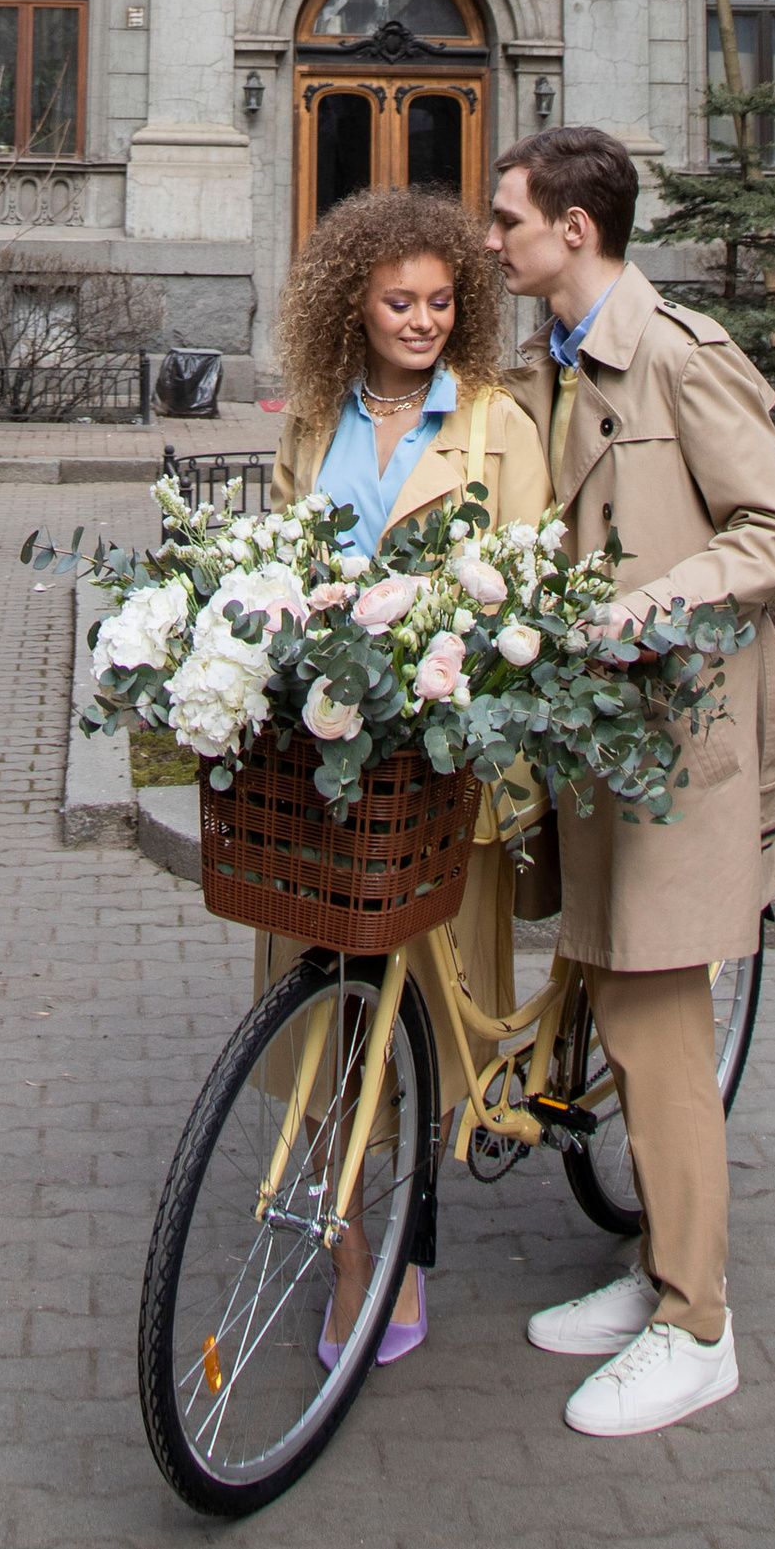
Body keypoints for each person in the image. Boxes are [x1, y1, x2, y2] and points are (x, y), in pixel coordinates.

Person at [485, 122, 775, 1440]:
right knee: (615, 998)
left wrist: (657, 601)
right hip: (599, 741)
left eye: (509, 220)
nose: (492, 240)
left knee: (657, 1025)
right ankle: (656, 1270)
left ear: (573, 230)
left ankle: (696, 1323)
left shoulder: (678, 354)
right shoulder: (553, 364)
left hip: (681, 744)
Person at [265, 185, 553, 1362]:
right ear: (354, 304)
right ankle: (347, 1259)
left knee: (426, 1026)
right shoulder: (312, 420)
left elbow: (526, 592)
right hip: (320, 774)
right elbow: (277, 562)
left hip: (440, 783)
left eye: (440, 301)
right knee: (323, 1033)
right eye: (399, 302)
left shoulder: (495, 425)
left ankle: (404, 1255)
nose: (423, 320)